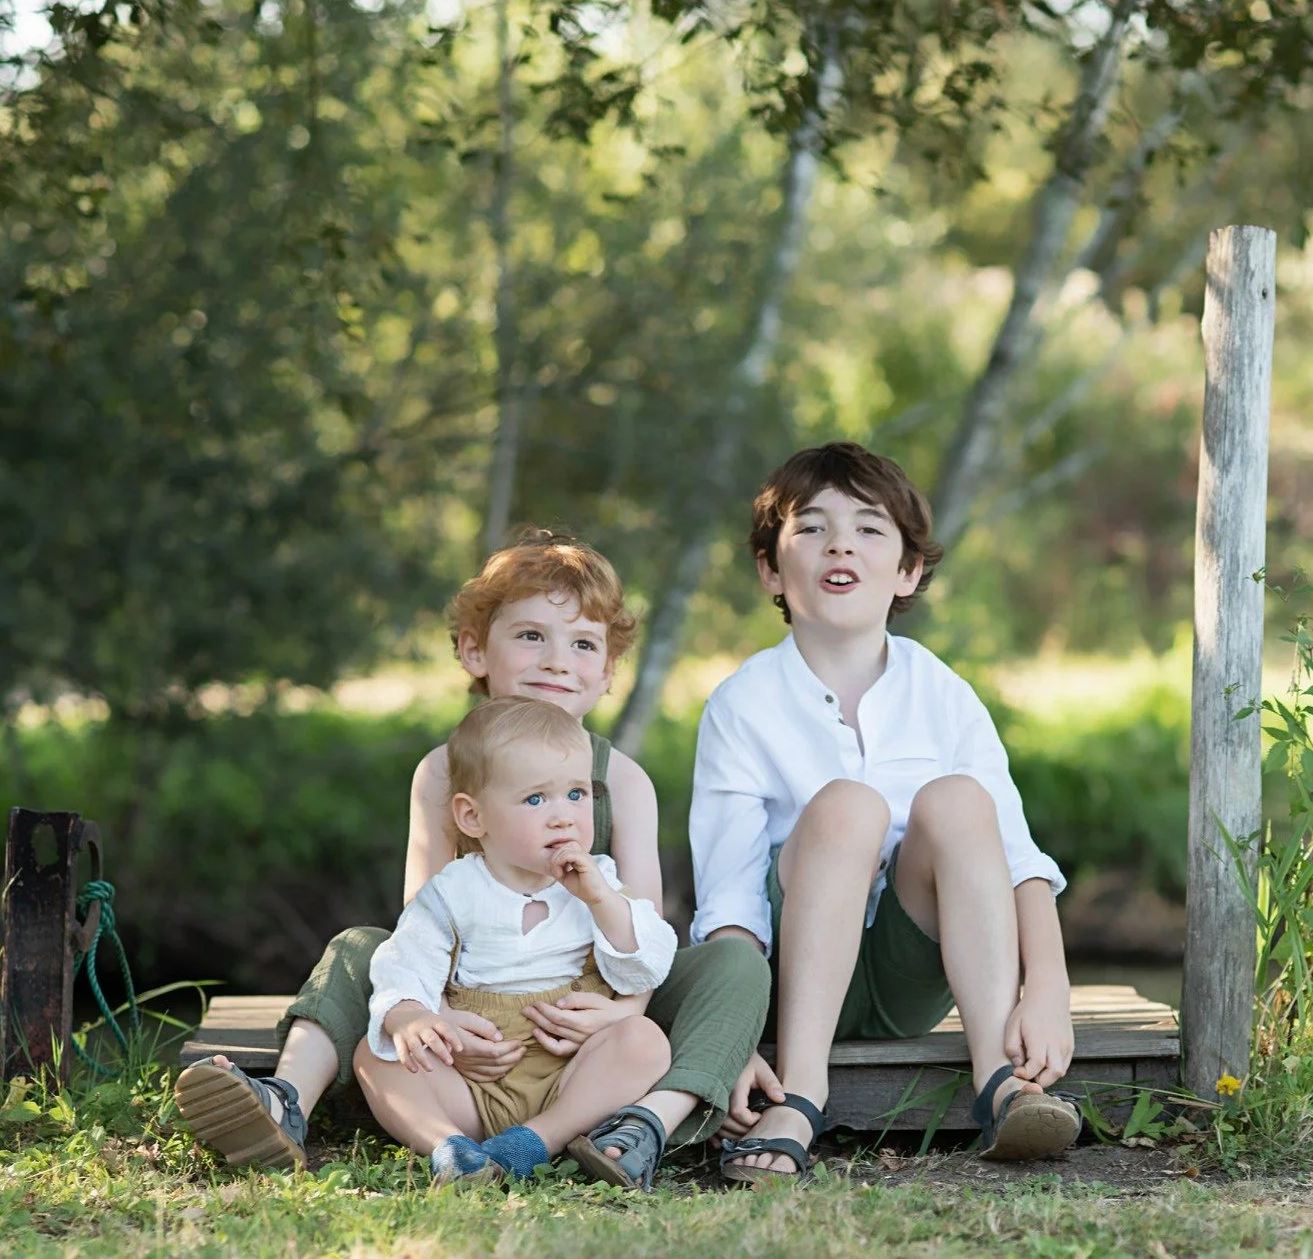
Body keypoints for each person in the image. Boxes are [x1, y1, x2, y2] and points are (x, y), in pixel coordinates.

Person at [175, 531, 772, 1189]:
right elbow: (418, 923)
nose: (556, 660)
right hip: (467, 1030)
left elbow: (646, 927)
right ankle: (284, 1100)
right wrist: (432, 1016)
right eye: (530, 636)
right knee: (358, 948)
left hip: (589, 1020)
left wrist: (624, 1013)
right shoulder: (440, 772)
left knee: (732, 962)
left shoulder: (621, 780)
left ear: (606, 673)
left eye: (582, 643)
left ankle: (644, 1124)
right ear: (473, 650)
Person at [690, 441, 1081, 1183]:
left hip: (910, 975)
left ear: (907, 569)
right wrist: (728, 1027)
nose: (840, 542)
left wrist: (1048, 992)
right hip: (786, 985)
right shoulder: (741, 704)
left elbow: (1019, 861)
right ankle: (802, 1093)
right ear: (771, 566)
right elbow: (729, 892)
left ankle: (998, 1079)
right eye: (811, 527)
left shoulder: (943, 693)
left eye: (869, 527)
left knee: (959, 800)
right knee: (845, 807)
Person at [353, 696, 675, 1185]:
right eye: (535, 799)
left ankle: (535, 1141)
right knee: (374, 1055)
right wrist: (414, 1015)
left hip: (570, 1076)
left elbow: (646, 963)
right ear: (473, 818)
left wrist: (601, 900)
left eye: (577, 794)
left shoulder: (600, 882)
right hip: (471, 1080)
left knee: (644, 1042)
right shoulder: (453, 891)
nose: (563, 816)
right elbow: (405, 962)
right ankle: (450, 1148)